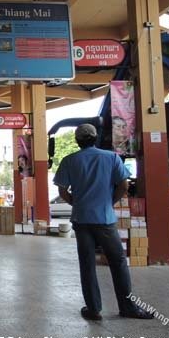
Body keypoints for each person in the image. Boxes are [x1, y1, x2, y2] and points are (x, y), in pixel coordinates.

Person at [54, 124, 153, 321]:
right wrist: (109, 202)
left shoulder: (69, 161)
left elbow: (62, 190)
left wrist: (77, 202)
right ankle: (127, 307)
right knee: (117, 262)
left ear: (77, 140)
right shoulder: (112, 158)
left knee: (87, 263)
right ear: (95, 138)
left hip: (81, 220)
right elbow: (123, 185)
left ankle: (93, 309)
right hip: (105, 220)